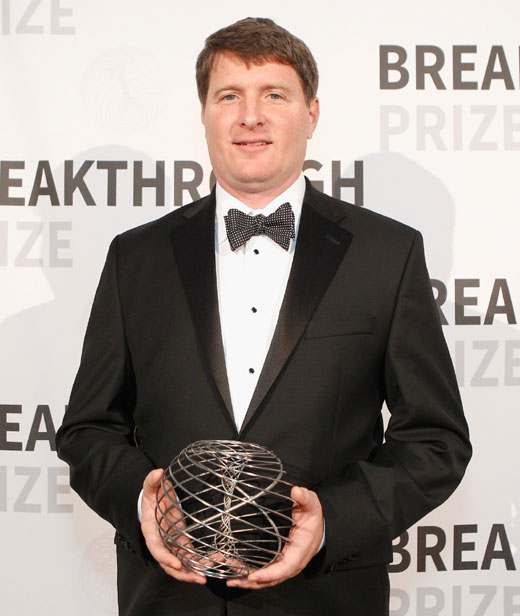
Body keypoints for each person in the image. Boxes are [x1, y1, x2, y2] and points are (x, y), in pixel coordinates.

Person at [56, 17, 471, 616]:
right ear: (204, 114)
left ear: (312, 113)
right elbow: (88, 430)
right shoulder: (135, 257)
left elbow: (435, 440)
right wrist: (142, 504)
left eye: (274, 94)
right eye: (230, 96)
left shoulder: (387, 253)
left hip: (327, 599)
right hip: (170, 601)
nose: (251, 116)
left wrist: (332, 521)